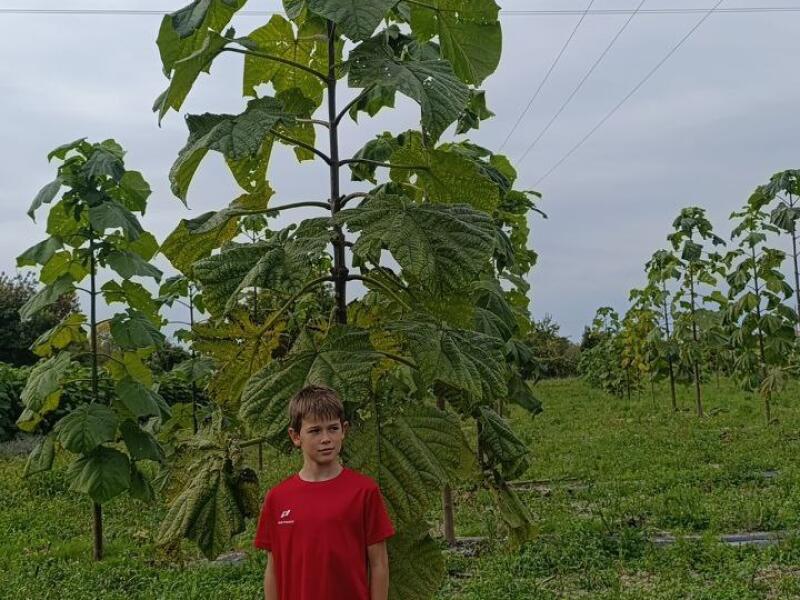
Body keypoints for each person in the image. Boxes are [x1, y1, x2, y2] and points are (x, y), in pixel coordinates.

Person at [254, 385, 395, 600]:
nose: (326, 438)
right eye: (315, 431)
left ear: (344, 430)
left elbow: (379, 564)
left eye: (333, 429)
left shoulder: (364, 491)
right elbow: (273, 568)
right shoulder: (277, 498)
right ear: (295, 436)